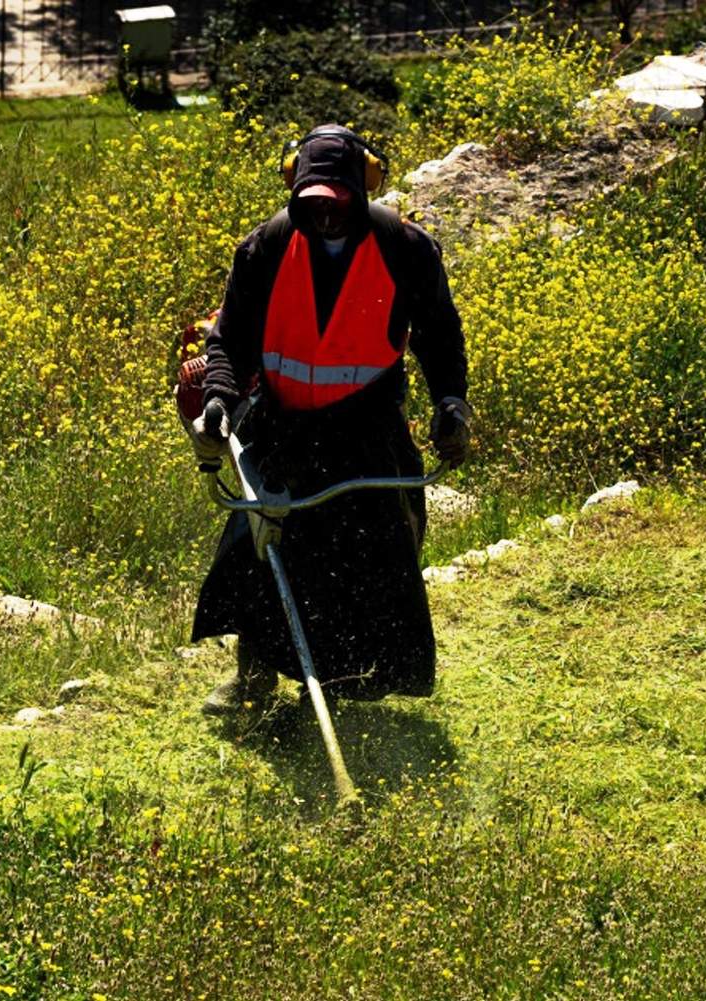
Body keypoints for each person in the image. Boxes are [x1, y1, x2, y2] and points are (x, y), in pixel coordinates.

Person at [190, 124, 471, 716]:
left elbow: (440, 335)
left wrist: (451, 401)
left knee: (370, 555)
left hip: (366, 428)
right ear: (295, 191)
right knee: (262, 549)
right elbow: (229, 340)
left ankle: (352, 682)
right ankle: (255, 681)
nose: (327, 216)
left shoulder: (405, 248)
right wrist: (218, 397)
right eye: (313, 204)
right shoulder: (264, 247)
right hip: (281, 426)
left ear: (361, 191)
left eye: (340, 203)